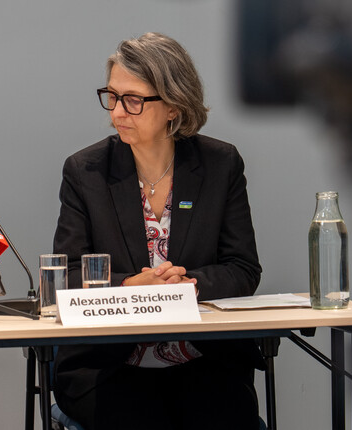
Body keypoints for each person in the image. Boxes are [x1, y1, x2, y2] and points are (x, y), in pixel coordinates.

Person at [51, 33, 264, 430]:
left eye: (133, 100)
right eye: (112, 96)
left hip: (203, 359)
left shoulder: (220, 165)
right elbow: (67, 275)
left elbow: (242, 268)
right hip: (109, 365)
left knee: (219, 416)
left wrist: (189, 285)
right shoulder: (86, 171)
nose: (118, 111)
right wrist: (128, 286)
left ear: (173, 106)